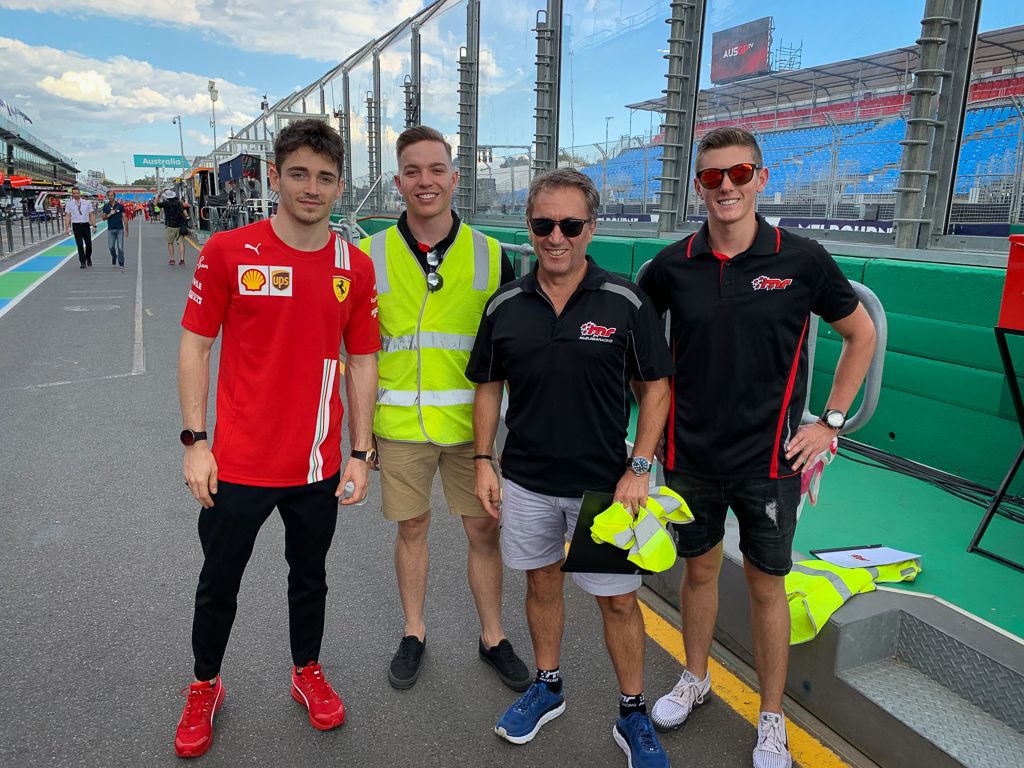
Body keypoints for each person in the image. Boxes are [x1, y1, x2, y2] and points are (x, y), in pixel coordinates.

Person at [638, 126, 877, 768]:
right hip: (689, 458)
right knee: (699, 572)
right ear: (698, 187)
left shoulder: (801, 259)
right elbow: (637, 344)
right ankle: (696, 677)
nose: (726, 187)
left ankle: (772, 718)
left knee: (768, 587)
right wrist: (647, 434)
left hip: (771, 463)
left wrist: (829, 422)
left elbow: (861, 334)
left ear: (761, 179)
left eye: (739, 174)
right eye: (712, 177)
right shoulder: (671, 265)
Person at [173, 118, 381, 759]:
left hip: (317, 464)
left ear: (340, 185)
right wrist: (195, 442)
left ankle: (306, 670)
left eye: (325, 177)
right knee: (219, 583)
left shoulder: (355, 266)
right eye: (299, 174)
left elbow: (363, 360)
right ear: (275, 176)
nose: (312, 188)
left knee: (309, 577)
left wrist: (361, 452)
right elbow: (195, 345)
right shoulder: (229, 251)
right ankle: (205, 684)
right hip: (236, 464)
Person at [468, 168, 675, 768]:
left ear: (592, 228)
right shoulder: (505, 304)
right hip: (527, 481)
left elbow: (656, 389)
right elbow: (488, 386)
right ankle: (548, 685)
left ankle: (632, 710)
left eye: (570, 225)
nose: (556, 237)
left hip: (605, 489)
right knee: (540, 583)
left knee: (619, 603)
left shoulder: (625, 302)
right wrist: (483, 460)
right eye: (543, 225)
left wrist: (640, 466)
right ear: (529, 227)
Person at [357, 125, 528, 693]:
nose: (424, 181)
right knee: (412, 527)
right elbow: (357, 353)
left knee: (483, 530)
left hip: (470, 428)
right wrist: (361, 438)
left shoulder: (492, 255)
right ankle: (414, 631)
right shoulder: (368, 256)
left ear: (455, 178)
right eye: (412, 171)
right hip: (398, 424)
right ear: (398, 181)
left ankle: (493, 637)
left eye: (436, 170)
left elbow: (509, 351)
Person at [64, 187, 96, 268]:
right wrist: (67, 228)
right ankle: (82, 261)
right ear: (72, 194)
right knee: (79, 244)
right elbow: (67, 216)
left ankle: (88, 257)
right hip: (76, 225)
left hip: (85, 225)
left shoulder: (87, 202)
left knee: (88, 244)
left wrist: (94, 225)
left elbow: (91, 214)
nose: (76, 195)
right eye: (74, 193)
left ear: (80, 193)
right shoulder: (69, 204)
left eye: (77, 193)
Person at [101, 191, 129, 272]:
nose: (110, 197)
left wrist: (126, 229)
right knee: (111, 247)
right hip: (111, 229)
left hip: (120, 229)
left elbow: (125, 218)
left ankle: (121, 263)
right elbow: (103, 218)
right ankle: (114, 256)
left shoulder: (120, 206)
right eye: (109, 196)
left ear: (114, 196)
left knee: (120, 247)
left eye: (111, 195)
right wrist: (109, 214)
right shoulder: (106, 206)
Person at [162, 190, 189, 266]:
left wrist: (159, 195)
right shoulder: (179, 203)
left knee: (170, 243)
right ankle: (182, 259)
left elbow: (155, 204)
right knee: (181, 243)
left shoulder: (165, 203)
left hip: (170, 225)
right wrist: (186, 217)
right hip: (179, 225)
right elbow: (185, 212)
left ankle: (172, 259)